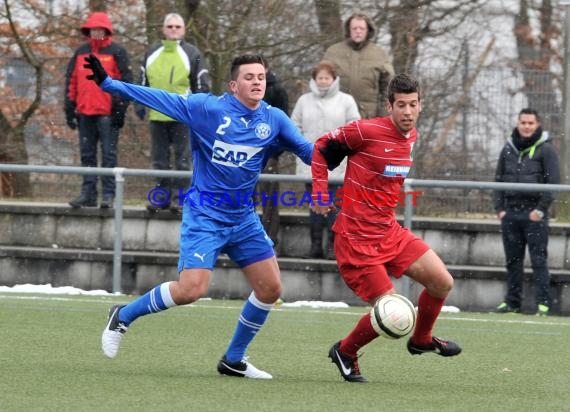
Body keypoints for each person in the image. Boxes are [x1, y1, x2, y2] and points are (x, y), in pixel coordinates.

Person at [84, 53, 313, 379]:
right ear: (234, 85)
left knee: (271, 288)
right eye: (249, 77)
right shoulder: (208, 108)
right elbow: (158, 97)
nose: (257, 82)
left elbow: (309, 151)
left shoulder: (273, 119)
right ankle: (123, 315)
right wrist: (110, 84)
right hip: (205, 214)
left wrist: (350, 148)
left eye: (261, 76)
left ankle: (233, 359)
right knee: (191, 290)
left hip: (243, 218)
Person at [311, 73, 462, 383]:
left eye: (413, 105)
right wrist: (319, 191)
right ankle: (346, 351)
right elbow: (322, 147)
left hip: (389, 232)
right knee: (392, 310)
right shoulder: (365, 131)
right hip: (356, 239)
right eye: (401, 105)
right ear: (389, 106)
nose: (407, 112)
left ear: (421, 106)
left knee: (442, 282)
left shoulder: (412, 136)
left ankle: (421, 340)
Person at [136, 13, 210, 214]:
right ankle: (161, 198)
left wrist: (200, 108)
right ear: (163, 29)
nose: (174, 30)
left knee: (183, 160)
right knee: (159, 160)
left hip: (183, 115)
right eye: (170, 27)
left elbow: (202, 84)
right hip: (157, 115)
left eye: (178, 27)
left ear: (184, 30)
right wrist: (139, 104)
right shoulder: (152, 52)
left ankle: (181, 198)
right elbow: (143, 81)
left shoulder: (192, 53)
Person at [493, 108, 560, 316]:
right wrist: (500, 209)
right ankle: (512, 302)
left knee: (538, 260)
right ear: (518, 123)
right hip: (511, 214)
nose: (527, 126)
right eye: (523, 122)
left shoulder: (546, 150)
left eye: (531, 123)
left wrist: (540, 211)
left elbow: (553, 183)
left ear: (537, 124)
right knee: (513, 261)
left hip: (534, 216)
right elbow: (498, 180)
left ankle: (544, 304)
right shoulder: (508, 148)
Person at [291, 60, 360, 259]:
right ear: (314, 79)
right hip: (310, 161)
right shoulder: (304, 101)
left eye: (326, 78)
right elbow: (294, 125)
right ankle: (315, 246)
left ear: (334, 79)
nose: (323, 81)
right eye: (320, 78)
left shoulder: (346, 101)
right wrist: (303, 146)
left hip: (337, 164)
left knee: (335, 207)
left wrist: (339, 147)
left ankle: (332, 246)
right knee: (314, 205)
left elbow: (354, 127)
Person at [64, 12, 133, 208]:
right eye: (93, 29)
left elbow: (126, 82)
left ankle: (108, 195)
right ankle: (88, 193)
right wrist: (69, 107)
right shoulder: (80, 52)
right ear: (89, 31)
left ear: (106, 31)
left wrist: (120, 109)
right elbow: (72, 81)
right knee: (87, 155)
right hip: (85, 112)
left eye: (100, 29)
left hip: (107, 113)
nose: (96, 33)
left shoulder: (117, 51)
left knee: (109, 155)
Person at [323, 13, 394, 119]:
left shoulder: (379, 54)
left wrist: (383, 115)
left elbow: (389, 87)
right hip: (336, 115)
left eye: (362, 28)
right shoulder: (333, 52)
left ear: (368, 30)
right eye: (354, 28)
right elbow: (320, 81)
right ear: (348, 30)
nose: (358, 31)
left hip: (368, 117)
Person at [257, 63, 289, 246]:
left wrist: (275, 152)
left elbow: (284, 125)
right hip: (244, 154)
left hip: (269, 154)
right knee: (243, 198)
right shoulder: (240, 93)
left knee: (269, 199)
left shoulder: (277, 91)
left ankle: (270, 240)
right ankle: (241, 240)